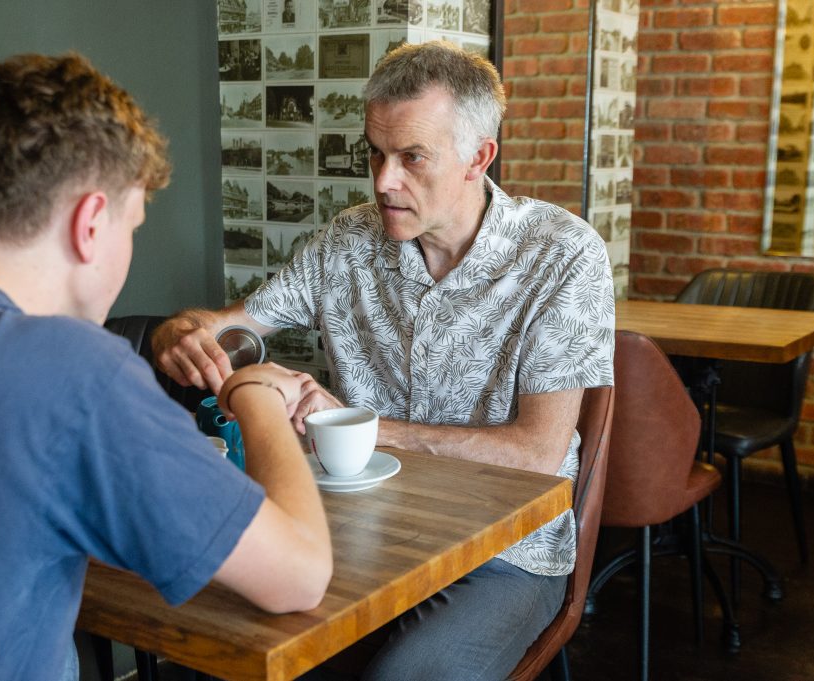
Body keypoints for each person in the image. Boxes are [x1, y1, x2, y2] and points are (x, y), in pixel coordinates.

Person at [0, 53, 331, 681]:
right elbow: (301, 574)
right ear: (89, 224)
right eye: (131, 226)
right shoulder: (74, 372)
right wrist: (255, 390)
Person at [152, 41, 614, 680]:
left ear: (478, 158)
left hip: (505, 555)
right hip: (361, 534)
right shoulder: (348, 239)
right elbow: (229, 326)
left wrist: (354, 430)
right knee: (211, 653)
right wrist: (178, 334)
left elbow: (537, 453)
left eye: (411, 157)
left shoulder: (562, 254)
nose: (382, 181)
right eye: (375, 152)